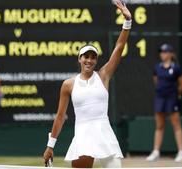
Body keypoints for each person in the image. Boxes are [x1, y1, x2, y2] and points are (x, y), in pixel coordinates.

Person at [43, 1, 131, 168]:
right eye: (86, 56)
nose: (89, 60)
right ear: (79, 59)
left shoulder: (103, 76)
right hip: (83, 135)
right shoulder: (68, 84)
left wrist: (127, 22)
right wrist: (50, 145)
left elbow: (119, 47)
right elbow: (60, 117)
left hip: (104, 134)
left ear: (96, 60)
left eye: (93, 57)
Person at [146, 44, 182, 162]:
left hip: (172, 99)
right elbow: (156, 81)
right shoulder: (157, 67)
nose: (162, 54)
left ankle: (181, 152)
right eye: (161, 52)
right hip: (160, 98)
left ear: (170, 54)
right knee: (159, 125)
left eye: (165, 52)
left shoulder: (176, 68)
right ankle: (156, 151)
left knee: (176, 124)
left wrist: (174, 94)